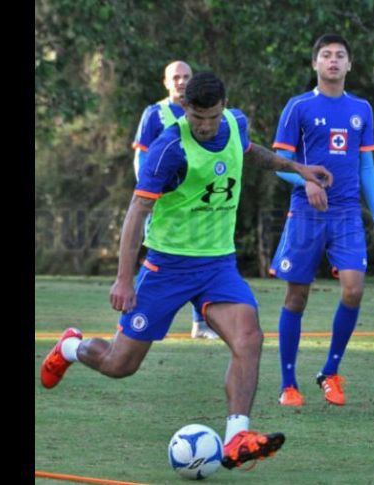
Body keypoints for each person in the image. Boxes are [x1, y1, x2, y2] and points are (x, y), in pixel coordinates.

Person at [40, 72, 333, 470]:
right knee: (119, 364)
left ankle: (236, 437)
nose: (205, 125)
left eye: (212, 116)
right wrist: (124, 278)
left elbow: (248, 151)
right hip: (167, 267)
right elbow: (136, 212)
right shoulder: (168, 150)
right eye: (197, 117)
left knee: (249, 337)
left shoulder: (235, 123)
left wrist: (295, 167)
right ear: (185, 109)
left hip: (217, 264)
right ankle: (70, 347)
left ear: (223, 107)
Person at [269, 33, 374, 408]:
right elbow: (278, 163)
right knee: (297, 295)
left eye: (340, 55)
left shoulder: (362, 109)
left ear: (350, 65)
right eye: (326, 55)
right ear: (315, 64)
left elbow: (366, 165)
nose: (333, 60)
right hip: (306, 214)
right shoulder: (299, 106)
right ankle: (288, 384)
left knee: (354, 289)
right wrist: (305, 179)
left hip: (347, 215)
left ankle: (330, 372)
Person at [131, 61, 217, 339]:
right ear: (166, 82)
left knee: (201, 253)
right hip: (165, 203)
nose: (181, 81)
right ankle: (137, 318)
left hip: (200, 202)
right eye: (175, 77)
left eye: (186, 77)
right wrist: (148, 192)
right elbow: (142, 156)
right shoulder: (154, 113)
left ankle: (200, 324)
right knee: (161, 254)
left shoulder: (207, 113)